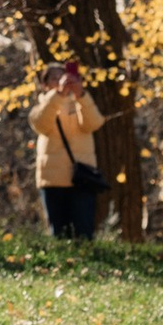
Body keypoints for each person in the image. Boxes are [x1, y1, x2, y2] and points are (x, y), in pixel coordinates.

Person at [31, 59, 111, 239]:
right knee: (59, 233)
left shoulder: (81, 104)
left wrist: (80, 94)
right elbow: (42, 124)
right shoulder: (40, 108)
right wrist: (58, 95)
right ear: (44, 85)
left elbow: (94, 123)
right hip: (52, 179)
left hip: (82, 178)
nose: (61, 81)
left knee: (84, 232)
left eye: (64, 76)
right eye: (54, 78)